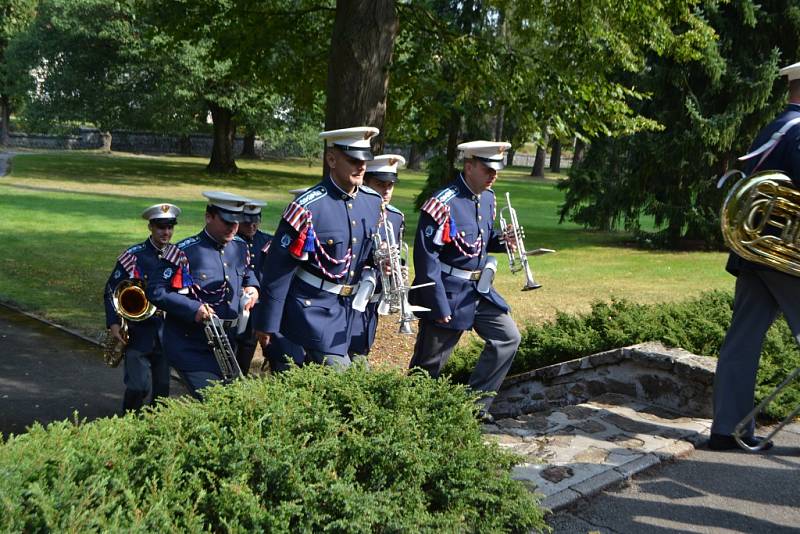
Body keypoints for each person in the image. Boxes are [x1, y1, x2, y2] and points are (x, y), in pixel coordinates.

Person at [710, 61, 800, 451]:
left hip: (757, 254)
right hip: (786, 256)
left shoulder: (776, 127)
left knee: (742, 340)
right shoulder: (798, 133)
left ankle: (727, 429)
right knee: (742, 340)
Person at [408, 140, 522, 423]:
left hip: (479, 291)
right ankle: (409, 419)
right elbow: (425, 259)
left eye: (496, 169)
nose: (493, 175)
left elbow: (477, 243)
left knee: (508, 337)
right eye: (487, 169)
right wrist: (438, 304)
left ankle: (473, 408)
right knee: (429, 365)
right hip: (447, 293)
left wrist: (502, 240)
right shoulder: (440, 205)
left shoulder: (488, 197)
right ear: (469, 166)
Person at [254, 126, 383, 369]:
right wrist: (267, 324)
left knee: (363, 374)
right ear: (332, 159)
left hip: (352, 313)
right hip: (313, 312)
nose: (361, 166)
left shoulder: (372, 201)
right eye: (353, 159)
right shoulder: (307, 207)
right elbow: (278, 269)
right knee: (343, 376)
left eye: (365, 159)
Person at [147, 192, 259, 398]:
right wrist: (194, 309)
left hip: (227, 343)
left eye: (236, 222)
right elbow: (156, 290)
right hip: (192, 344)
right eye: (226, 221)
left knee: (228, 406)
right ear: (209, 217)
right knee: (212, 401)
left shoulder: (241, 247)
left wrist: (252, 287)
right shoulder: (183, 251)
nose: (233, 227)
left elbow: (247, 273)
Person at [103, 203, 180, 412]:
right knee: (138, 387)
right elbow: (111, 290)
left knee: (162, 391)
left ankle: (154, 431)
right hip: (138, 332)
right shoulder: (133, 256)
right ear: (150, 227)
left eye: (170, 227)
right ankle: (128, 422)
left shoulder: (179, 256)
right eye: (161, 227)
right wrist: (113, 323)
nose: (166, 232)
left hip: (166, 333)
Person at [348, 154, 407, 358]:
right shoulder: (353, 211)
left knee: (362, 348)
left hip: (374, 297)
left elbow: (397, 254)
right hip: (349, 295)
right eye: (381, 184)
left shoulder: (396, 217)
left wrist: (395, 267)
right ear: (366, 181)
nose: (387, 190)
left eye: (391, 185)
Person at [233, 199, 272, 375]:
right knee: (241, 345)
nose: (252, 226)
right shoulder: (231, 242)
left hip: (262, 303)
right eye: (247, 222)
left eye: (255, 221)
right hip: (239, 302)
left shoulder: (267, 241)